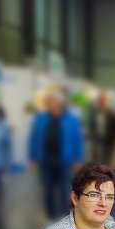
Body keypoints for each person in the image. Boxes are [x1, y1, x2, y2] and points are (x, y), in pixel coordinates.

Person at [29, 91, 85, 220]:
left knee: (64, 190)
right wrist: (33, 158)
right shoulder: (40, 119)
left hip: (65, 161)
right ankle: (50, 215)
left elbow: (78, 140)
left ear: (60, 103)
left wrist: (77, 159)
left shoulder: (71, 120)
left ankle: (63, 216)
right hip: (46, 160)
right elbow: (34, 139)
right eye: (49, 102)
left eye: (54, 102)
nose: (52, 104)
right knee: (47, 190)